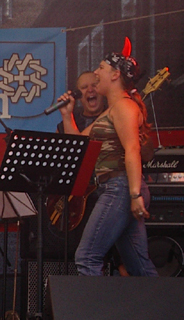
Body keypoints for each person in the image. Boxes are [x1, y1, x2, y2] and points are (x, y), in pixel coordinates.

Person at [56, 41, 157, 276]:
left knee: (86, 257)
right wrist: (67, 115)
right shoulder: (111, 110)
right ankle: (164, 301)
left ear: (115, 75)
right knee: (138, 266)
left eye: (101, 68)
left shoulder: (124, 106)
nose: (96, 72)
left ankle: (92, 303)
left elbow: (132, 149)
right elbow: (79, 146)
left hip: (120, 187)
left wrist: (135, 195)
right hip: (119, 188)